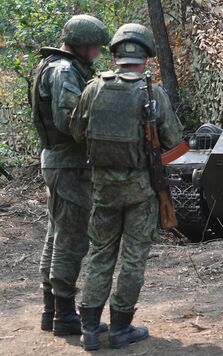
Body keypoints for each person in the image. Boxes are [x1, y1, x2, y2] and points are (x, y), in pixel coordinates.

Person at [71, 23, 183, 350]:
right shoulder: (152, 91)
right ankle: (120, 329)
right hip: (141, 191)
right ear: (146, 56)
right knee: (133, 260)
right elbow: (175, 144)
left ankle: (90, 329)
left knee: (100, 255)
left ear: (116, 54)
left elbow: (78, 133)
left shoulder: (94, 87)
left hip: (103, 188)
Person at [32, 14, 110, 336]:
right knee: (71, 239)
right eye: (94, 47)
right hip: (69, 165)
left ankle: (52, 311)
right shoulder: (64, 71)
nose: (96, 53)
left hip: (60, 162)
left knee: (57, 234)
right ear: (80, 45)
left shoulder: (54, 65)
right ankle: (64, 315)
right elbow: (70, 123)